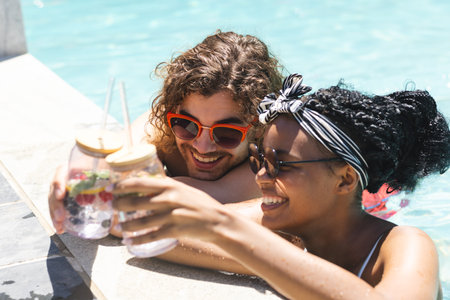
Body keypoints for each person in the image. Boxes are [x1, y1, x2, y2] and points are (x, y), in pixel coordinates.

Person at [112, 74, 449, 299]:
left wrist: (225, 230)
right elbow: (152, 232)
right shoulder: (276, 221)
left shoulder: (404, 244)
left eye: (282, 165)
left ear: (345, 179)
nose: (261, 177)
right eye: (260, 160)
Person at [48, 30, 284, 234]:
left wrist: (111, 187)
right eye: (186, 125)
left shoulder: (269, 161)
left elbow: (211, 196)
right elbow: (118, 153)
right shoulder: (165, 125)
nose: (202, 146)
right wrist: (79, 175)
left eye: (226, 133)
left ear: (258, 129)